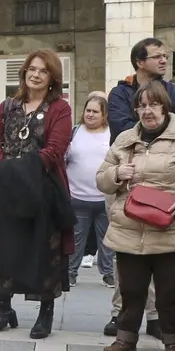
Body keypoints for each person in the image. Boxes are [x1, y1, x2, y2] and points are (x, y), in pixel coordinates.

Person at [0, 50, 75, 340]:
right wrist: (0, 168)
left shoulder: (60, 108)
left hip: (41, 189)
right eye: (31, 69)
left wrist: (19, 169)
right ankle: (3, 307)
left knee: (44, 251)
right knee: (5, 247)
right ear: (23, 72)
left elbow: (56, 149)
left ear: (52, 78)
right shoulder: (7, 105)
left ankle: (44, 312)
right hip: (6, 190)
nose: (35, 74)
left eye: (43, 71)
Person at [96, 81, 175, 351]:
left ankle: (173, 341)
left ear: (165, 106)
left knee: (169, 291)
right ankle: (126, 338)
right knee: (131, 289)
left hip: (170, 227)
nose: (148, 111)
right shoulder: (124, 138)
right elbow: (101, 179)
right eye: (142, 105)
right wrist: (116, 173)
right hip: (129, 228)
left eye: (154, 104)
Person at [66, 95, 114, 288]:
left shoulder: (112, 133)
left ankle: (108, 274)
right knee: (76, 239)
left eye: (95, 111)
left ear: (104, 115)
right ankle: (70, 273)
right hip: (77, 197)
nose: (91, 114)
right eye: (88, 110)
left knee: (107, 241)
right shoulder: (75, 132)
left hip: (104, 198)